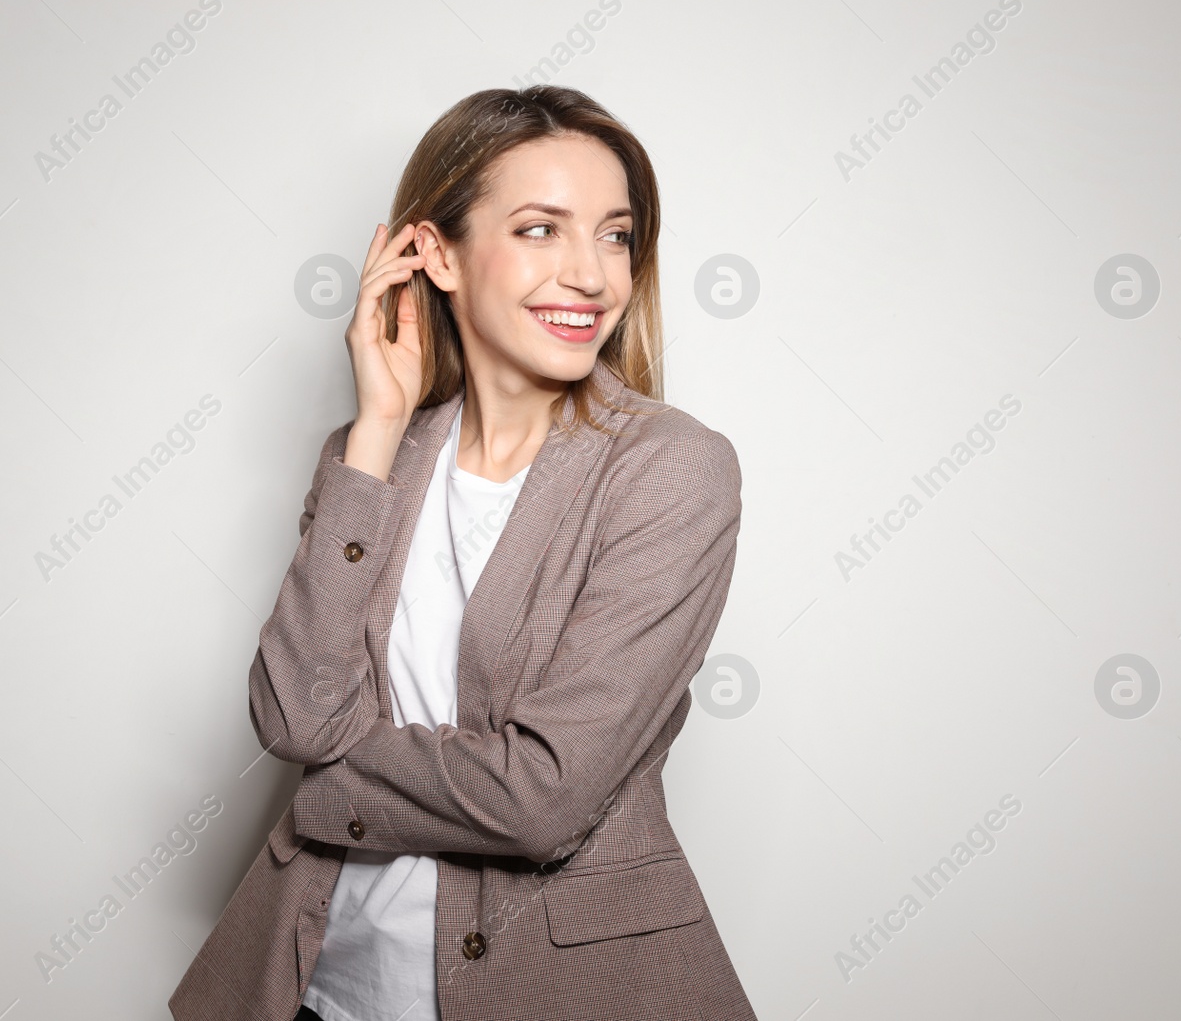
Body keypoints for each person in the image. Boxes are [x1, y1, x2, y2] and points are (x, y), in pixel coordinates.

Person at [169, 85, 757, 1021]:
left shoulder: (672, 470)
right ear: (436, 253)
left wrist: (328, 785)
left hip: (558, 991)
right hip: (323, 984)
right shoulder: (365, 459)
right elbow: (291, 711)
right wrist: (376, 432)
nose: (593, 275)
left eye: (614, 235)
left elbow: (541, 799)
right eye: (539, 229)